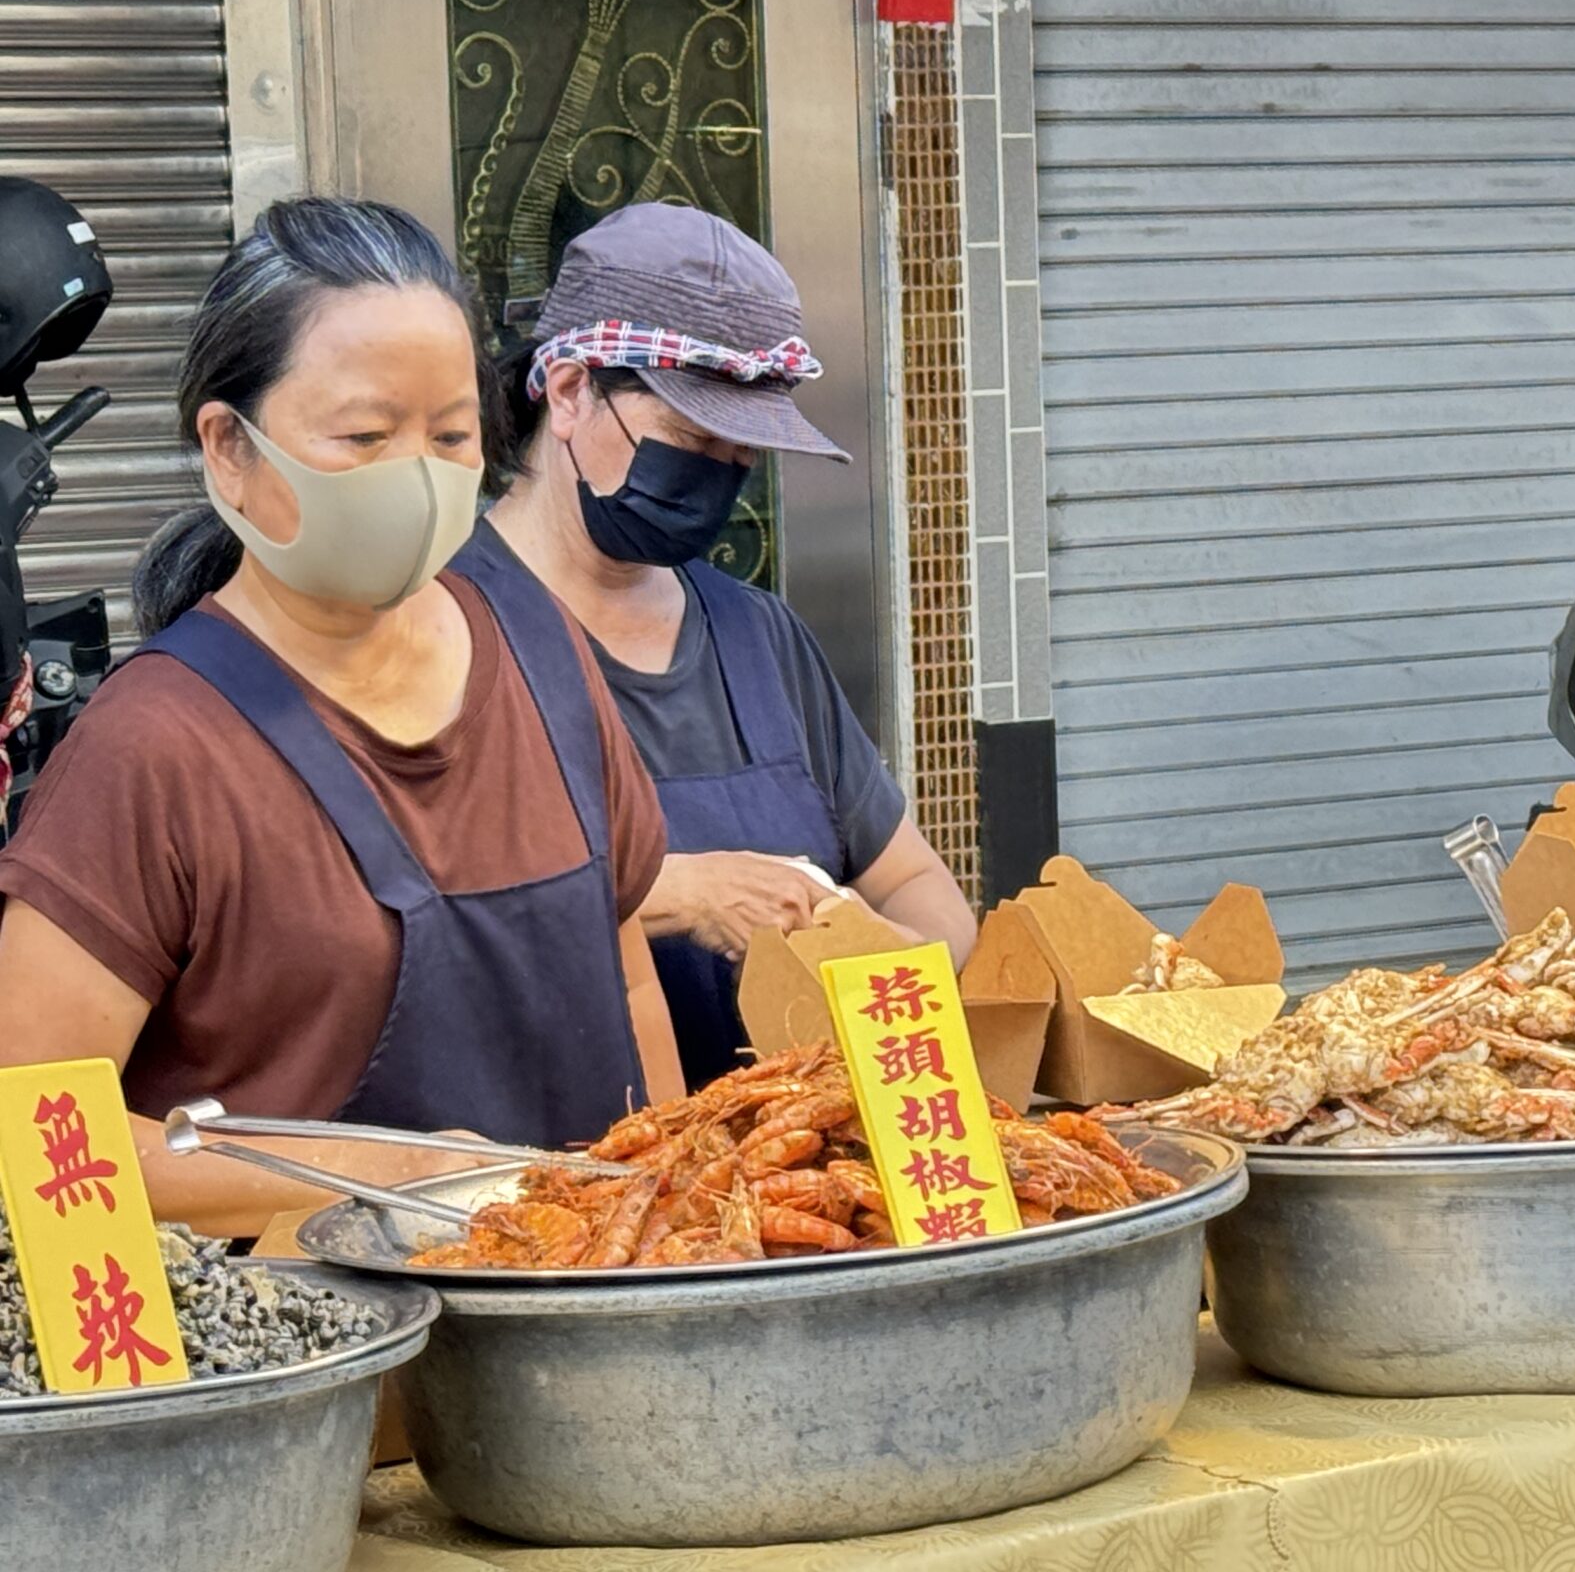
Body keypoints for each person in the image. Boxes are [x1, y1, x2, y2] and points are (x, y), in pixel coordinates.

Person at [0, 199, 682, 1236]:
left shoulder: (540, 653)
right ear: (231, 449)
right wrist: (393, 1174)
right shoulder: (157, 747)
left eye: (451, 435)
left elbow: (628, 987)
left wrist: (675, 1229)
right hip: (324, 1376)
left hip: (582, 1345)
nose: (416, 475)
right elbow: (34, 1134)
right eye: (365, 436)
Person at [473, 203, 974, 1089]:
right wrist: (678, 892)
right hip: (552, 1181)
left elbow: (924, 891)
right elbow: (402, 925)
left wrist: (873, 949)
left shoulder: (759, 636)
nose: (716, 478)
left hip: (793, 1181)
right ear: (571, 391)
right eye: (692, 440)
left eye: (741, 456)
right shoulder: (439, 632)